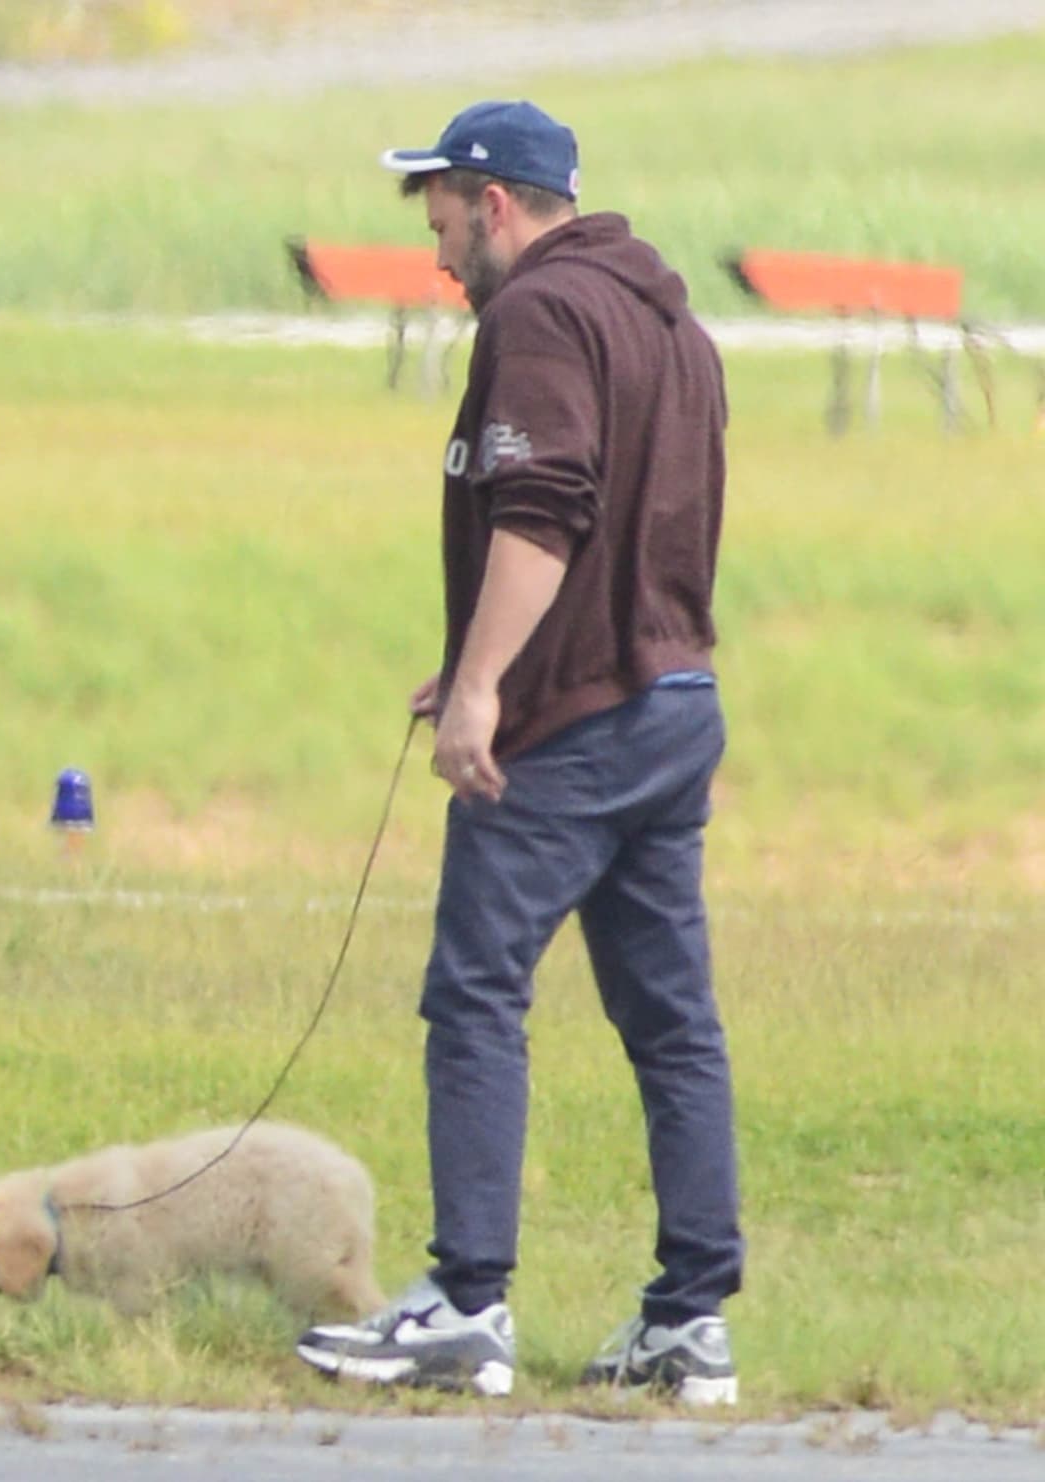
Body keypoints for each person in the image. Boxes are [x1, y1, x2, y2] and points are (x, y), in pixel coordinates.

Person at [295, 99, 743, 1404]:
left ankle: (468, 1305)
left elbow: (545, 510)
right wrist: (492, 657)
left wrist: (491, 687)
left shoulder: (539, 316)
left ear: (493, 199)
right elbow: (641, 530)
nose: (436, 243)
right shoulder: (674, 323)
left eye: (439, 209)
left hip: (574, 732)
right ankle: (690, 1321)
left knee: (476, 990)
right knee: (673, 1023)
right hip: (674, 703)